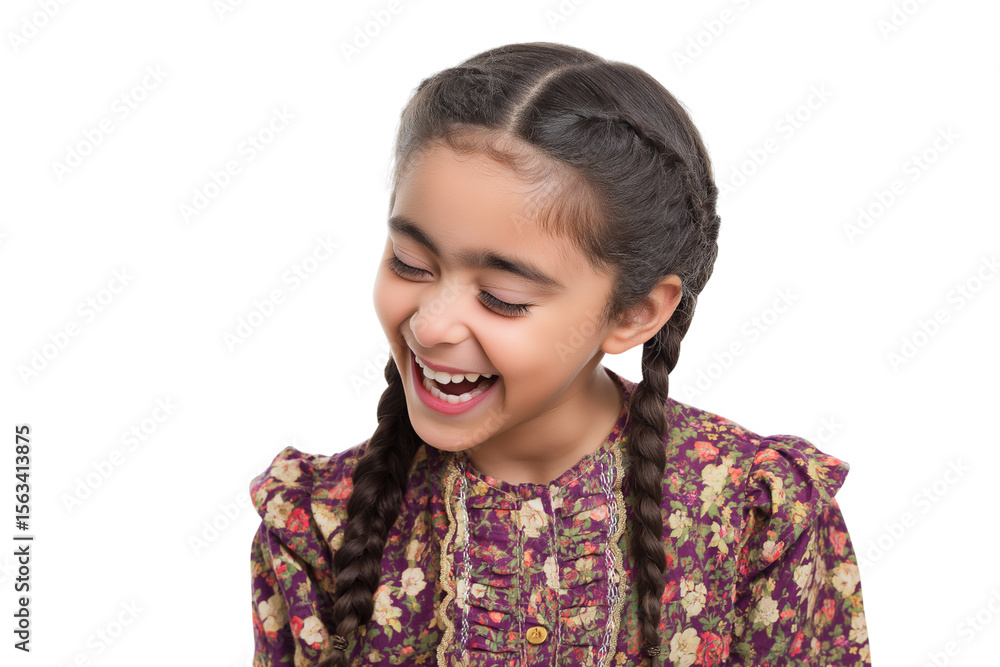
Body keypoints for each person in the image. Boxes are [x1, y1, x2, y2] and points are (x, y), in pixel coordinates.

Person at [249, 41, 871, 667]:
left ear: (634, 313)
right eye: (410, 263)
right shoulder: (317, 524)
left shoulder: (758, 514)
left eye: (502, 298)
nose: (431, 326)